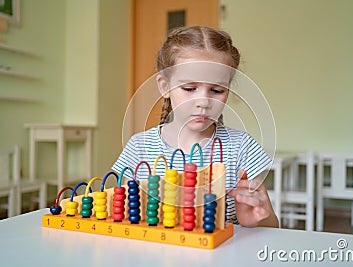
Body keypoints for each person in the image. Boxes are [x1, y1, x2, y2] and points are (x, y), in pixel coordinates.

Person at [112, 26, 278, 228]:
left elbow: (272, 226)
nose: (204, 102)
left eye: (217, 90)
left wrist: (257, 221)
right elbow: (122, 220)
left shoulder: (242, 148)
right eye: (189, 88)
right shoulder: (139, 148)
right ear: (165, 86)